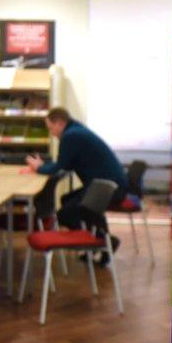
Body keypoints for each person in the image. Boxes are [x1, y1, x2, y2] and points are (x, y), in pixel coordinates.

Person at [24, 108, 128, 263]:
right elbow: (65, 163)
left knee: (65, 214)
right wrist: (44, 166)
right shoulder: (76, 130)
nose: (52, 133)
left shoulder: (71, 136)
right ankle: (98, 244)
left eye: (51, 128)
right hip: (110, 185)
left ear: (60, 123)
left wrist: (39, 168)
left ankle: (102, 242)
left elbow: (59, 166)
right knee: (68, 199)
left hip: (108, 189)